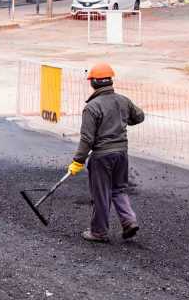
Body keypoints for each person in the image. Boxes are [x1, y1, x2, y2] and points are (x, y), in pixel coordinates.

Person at [67, 62, 145, 243]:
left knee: (101, 194)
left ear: (93, 83)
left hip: (102, 156)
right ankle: (129, 221)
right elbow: (139, 116)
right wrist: (121, 121)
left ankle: (99, 232)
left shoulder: (92, 107)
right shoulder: (123, 100)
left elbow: (87, 139)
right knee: (118, 189)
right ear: (110, 81)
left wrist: (78, 161)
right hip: (121, 154)